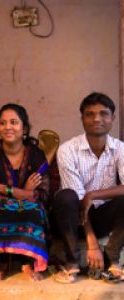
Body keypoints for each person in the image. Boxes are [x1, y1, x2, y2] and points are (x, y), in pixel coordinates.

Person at [53, 92, 124, 283]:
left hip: (102, 215)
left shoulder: (120, 148)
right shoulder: (67, 149)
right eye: (90, 114)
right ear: (82, 119)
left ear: (112, 118)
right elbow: (77, 199)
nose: (97, 119)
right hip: (72, 219)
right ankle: (72, 262)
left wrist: (93, 194)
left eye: (103, 113)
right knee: (66, 196)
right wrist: (92, 244)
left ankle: (112, 255)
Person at [0, 103, 49, 281]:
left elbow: (43, 194)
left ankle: (28, 260)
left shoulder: (36, 155)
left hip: (27, 205)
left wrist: (7, 190)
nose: (8, 127)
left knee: (33, 209)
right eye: (2, 123)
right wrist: (23, 194)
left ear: (25, 128)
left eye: (14, 122)